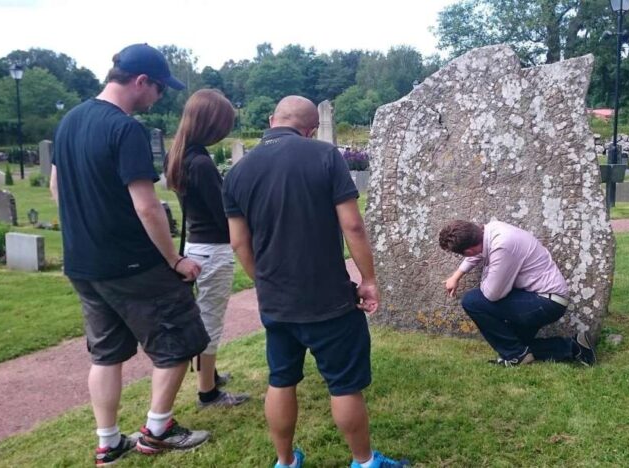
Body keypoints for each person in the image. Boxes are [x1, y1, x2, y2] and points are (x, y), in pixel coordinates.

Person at [223, 96, 408, 468]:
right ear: (310, 129)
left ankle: (285, 461)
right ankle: (364, 461)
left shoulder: (237, 173)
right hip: (329, 300)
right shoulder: (324, 156)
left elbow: (239, 242)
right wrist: (368, 279)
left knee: (281, 380)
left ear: (273, 120)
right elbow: (352, 225)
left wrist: (262, 281)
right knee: (343, 384)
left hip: (277, 302)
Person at [50, 43, 211, 465]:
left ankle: (108, 441)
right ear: (141, 82)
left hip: (84, 266)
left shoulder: (70, 121)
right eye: (159, 89)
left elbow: (56, 188)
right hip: (132, 264)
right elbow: (146, 205)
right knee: (180, 339)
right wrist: (175, 261)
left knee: (106, 353)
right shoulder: (125, 130)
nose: (159, 98)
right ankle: (158, 430)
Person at [165, 89, 250, 409]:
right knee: (211, 319)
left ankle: (208, 375)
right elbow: (224, 212)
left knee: (204, 317)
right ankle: (208, 392)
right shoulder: (200, 162)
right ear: (211, 124)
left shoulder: (180, 155)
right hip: (213, 250)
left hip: (195, 246)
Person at [438, 220, 597, 367]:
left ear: (468, 250)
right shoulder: (490, 230)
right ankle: (575, 347)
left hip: (545, 303)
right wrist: (456, 275)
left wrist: (487, 274)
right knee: (515, 343)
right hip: (542, 298)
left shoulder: (502, 245)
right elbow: (478, 252)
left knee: (472, 301)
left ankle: (516, 355)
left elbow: (492, 294)